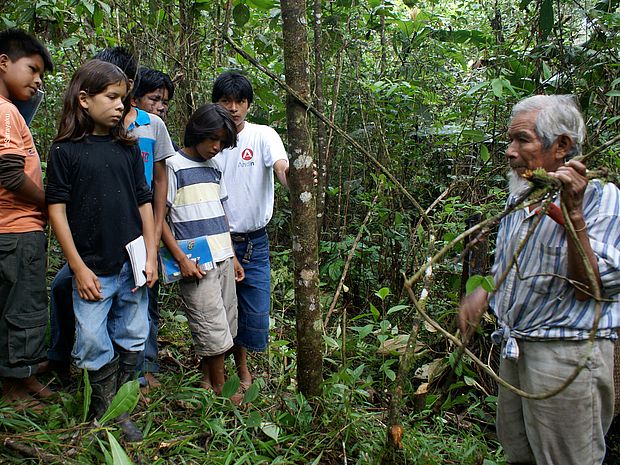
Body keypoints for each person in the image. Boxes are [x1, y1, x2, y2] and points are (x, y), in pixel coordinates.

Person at [458, 95, 620, 465]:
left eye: (522, 140)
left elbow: (592, 287)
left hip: (567, 355)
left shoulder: (602, 200)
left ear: (561, 146)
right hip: (516, 351)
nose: (510, 152)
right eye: (510, 141)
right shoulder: (521, 200)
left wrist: (572, 214)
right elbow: (508, 266)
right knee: (520, 453)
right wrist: (483, 294)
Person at [47, 48, 176, 391]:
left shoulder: (129, 147)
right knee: (90, 337)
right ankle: (101, 406)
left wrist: (150, 255)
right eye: (112, 97)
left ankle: (121, 404)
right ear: (85, 100)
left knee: (134, 330)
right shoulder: (64, 151)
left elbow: (144, 202)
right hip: (91, 265)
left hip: (130, 264)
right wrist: (77, 267)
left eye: (123, 97)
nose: (121, 105)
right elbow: (56, 209)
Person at [211, 71, 289, 388]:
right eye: (226, 101)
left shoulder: (263, 136)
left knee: (253, 312)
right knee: (218, 311)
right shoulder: (210, 140)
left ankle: (242, 369)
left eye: (239, 101)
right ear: (216, 103)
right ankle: (220, 375)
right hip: (218, 239)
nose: (233, 108)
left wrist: (294, 180)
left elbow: (280, 166)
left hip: (255, 243)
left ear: (248, 104)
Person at [161, 103, 244, 398]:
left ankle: (208, 379)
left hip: (221, 256)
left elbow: (222, 215)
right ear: (198, 131)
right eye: (213, 139)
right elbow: (160, 220)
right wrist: (180, 259)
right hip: (195, 261)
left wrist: (233, 255)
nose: (216, 147)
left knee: (225, 321)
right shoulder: (173, 166)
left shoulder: (215, 168)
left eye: (222, 142)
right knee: (210, 325)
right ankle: (223, 390)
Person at [0, 28, 54, 409]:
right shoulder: (5, 112)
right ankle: (16, 387)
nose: (37, 81)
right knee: (24, 308)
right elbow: (11, 174)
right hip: (18, 228)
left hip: (15, 227)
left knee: (17, 305)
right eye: (32, 70)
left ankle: (26, 375)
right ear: (3, 63)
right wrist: (52, 202)